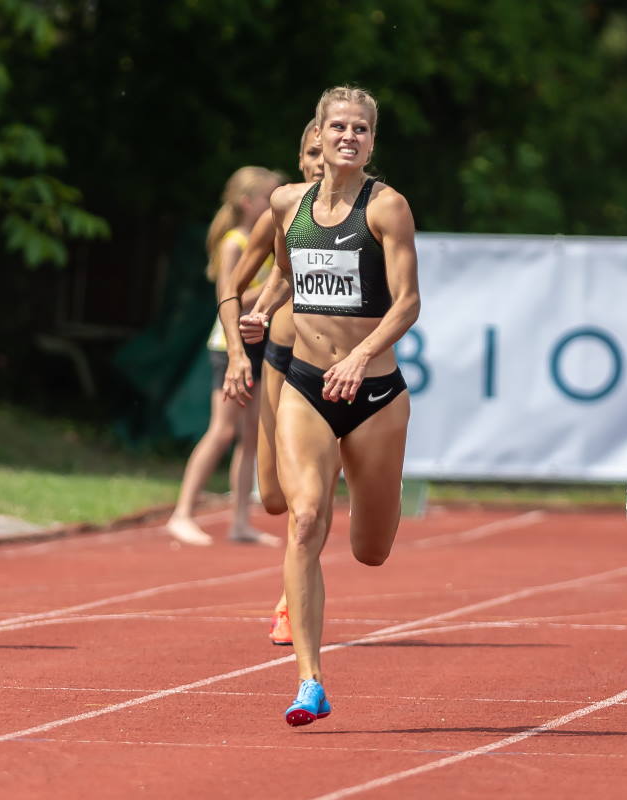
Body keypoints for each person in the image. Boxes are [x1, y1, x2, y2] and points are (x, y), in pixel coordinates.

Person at [226, 86, 420, 725]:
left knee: (371, 549)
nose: (348, 137)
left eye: (360, 129)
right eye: (339, 126)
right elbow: (284, 270)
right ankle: (309, 681)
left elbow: (408, 303)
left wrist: (360, 356)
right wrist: (259, 313)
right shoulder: (288, 203)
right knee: (303, 519)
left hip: (373, 396)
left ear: (371, 140)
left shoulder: (388, 208)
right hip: (307, 386)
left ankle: (373, 512)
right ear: (319, 132)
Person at [219, 123, 325, 646]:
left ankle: (289, 600)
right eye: (311, 152)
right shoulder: (281, 210)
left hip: (335, 368)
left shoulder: (368, 211)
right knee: (276, 498)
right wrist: (239, 351)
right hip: (279, 362)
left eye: (326, 151)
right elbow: (233, 282)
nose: (320, 161)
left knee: (310, 498)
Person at [165, 166, 283, 547]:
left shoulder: (264, 240)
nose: (272, 203)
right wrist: (278, 285)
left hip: (260, 342)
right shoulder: (234, 242)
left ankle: (239, 521)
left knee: (250, 435)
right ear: (248, 203)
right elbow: (227, 299)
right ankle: (182, 512)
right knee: (222, 430)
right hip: (230, 344)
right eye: (267, 197)